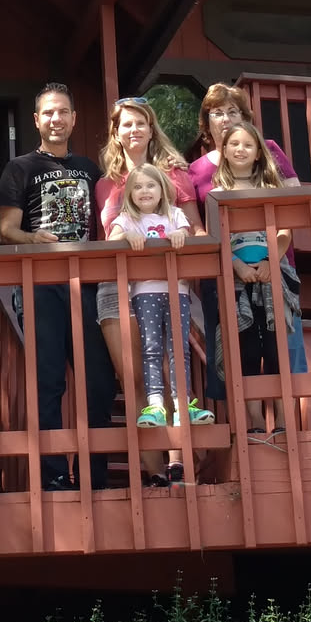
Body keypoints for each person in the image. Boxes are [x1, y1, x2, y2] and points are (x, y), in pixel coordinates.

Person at [0, 82, 120, 491]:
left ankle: (93, 475)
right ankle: (53, 475)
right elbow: (7, 230)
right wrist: (33, 238)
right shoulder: (20, 167)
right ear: (36, 120)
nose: (56, 119)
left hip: (87, 284)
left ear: (74, 118)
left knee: (98, 381)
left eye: (63, 111)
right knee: (48, 381)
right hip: (40, 285)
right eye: (48, 112)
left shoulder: (90, 169)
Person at [92, 97, 198, 407]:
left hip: (163, 281)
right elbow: (104, 236)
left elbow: (195, 229)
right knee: (134, 379)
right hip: (114, 284)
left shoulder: (174, 175)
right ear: (116, 133)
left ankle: (179, 440)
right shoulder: (104, 184)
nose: (134, 129)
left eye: (141, 123)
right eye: (126, 124)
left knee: (168, 370)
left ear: (152, 130)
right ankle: (146, 441)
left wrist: (188, 271)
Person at [204, 120, 307, 438]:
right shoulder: (216, 194)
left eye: (248, 145)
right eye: (234, 144)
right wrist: (237, 266)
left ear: (259, 153)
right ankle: (254, 422)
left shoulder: (272, 190)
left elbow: (285, 230)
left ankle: (283, 421)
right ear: (224, 150)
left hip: (272, 274)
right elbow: (216, 238)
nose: (241, 149)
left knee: (278, 349)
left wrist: (269, 261)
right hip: (236, 279)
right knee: (246, 352)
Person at [108, 166, 211, 462]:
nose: (145, 192)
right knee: (152, 348)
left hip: (177, 289)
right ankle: (155, 404)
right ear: (129, 194)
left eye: (151, 186)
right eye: (138, 187)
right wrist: (127, 235)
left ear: (163, 190)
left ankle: (183, 404)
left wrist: (180, 235)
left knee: (178, 349)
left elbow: (186, 233)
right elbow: (112, 239)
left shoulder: (174, 214)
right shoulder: (127, 218)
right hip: (145, 290)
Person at [186, 82, 302, 196]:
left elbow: (295, 195)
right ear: (207, 122)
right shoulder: (195, 170)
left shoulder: (267, 148)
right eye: (218, 113)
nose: (226, 119)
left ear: (243, 118)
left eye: (232, 112)